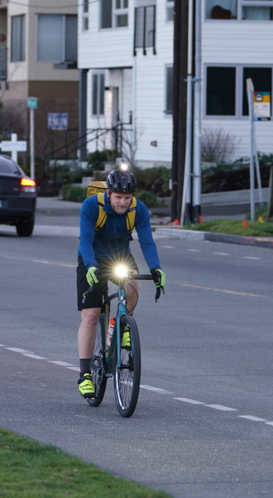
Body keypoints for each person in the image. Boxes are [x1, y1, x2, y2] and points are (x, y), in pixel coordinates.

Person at [76, 166, 164, 399]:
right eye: (119, 197)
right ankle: (85, 374)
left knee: (133, 282)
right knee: (92, 315)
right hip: (91, 257)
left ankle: (124, 324)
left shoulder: (139, 209)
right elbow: (85, 239)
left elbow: (147, 242)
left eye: (127, 198)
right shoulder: (91, 206)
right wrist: (91, 265)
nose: (123, 202)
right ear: (109, 193)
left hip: (119, 256)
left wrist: (156, 268)